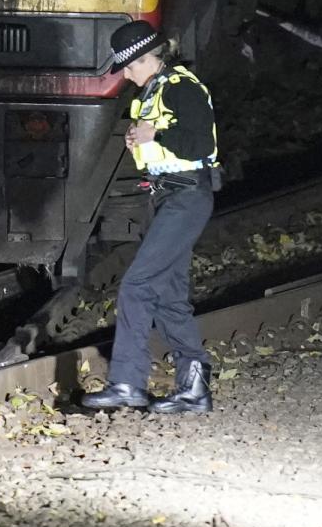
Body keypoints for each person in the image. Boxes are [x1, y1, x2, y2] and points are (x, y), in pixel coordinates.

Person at [81, 20, 220, 415]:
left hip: (186, 196)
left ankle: (127, 383)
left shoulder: (181, 87)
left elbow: (200, 142)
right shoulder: (156, 91)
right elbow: (166, 140)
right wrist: (143, 139)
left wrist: (153, 136)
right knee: (170, 298)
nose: (125, 74)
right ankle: (194, 389)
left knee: (137, 286)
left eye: (129, 66)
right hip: (168, 198)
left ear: (149, 59)